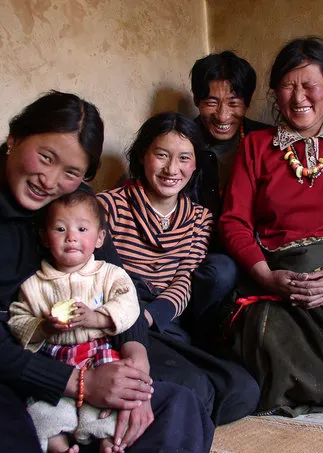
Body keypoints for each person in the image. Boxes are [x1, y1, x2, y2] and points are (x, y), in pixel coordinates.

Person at [0, 91, 214, 453]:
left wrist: (136, 374)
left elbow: (117, 284)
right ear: (14, 138)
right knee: (3, 451)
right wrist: (83, 384)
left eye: (72, 172)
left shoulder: (74, 204)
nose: (49, 182)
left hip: (72, 352)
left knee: (182, 407)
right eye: (46, 157)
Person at [218, 37, 323, 414]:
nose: (299, 97)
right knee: (262, 341)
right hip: (277, 274)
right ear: (275, 93)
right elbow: (234, 220)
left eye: (309, 84)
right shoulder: (257, 146)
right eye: (287, 86)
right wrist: (265, 276)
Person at [98, 112, 260, 425]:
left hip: (165, 318)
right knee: (196, 389)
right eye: (161, 155)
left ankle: (181, 408)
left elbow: (184, 280)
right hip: (120, 316)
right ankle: (176, 409)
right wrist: (133, 319)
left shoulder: (199, 218)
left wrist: (151, 316)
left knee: (244, 390)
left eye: (184, 158)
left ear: (196, 163)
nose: (173, 169)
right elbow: (101, 278)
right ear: (142, 155)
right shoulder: (109, 206)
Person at [8, 190, 141, 453]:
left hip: (99, 355)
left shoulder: (109, 274)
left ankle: (108, 445)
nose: (71, 236)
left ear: (100, 238)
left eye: (82, 229)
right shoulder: (35, 285)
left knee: (109, 408)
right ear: (45, 238)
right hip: (55, 359)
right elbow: (18, 321)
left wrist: (99, 318)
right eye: (60, 229)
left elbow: (129, 304)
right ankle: (61, 452)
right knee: (45, 410)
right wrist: (43, 326)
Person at [186, 51, 271, 345]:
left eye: (234, 103)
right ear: (197, 101)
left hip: (260, 245)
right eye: (211, 102)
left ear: (247, 103)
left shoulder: (267, 140)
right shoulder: (182, 141)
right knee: (222, 272)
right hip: (203, 251)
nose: (223, 116)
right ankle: (203, 344)